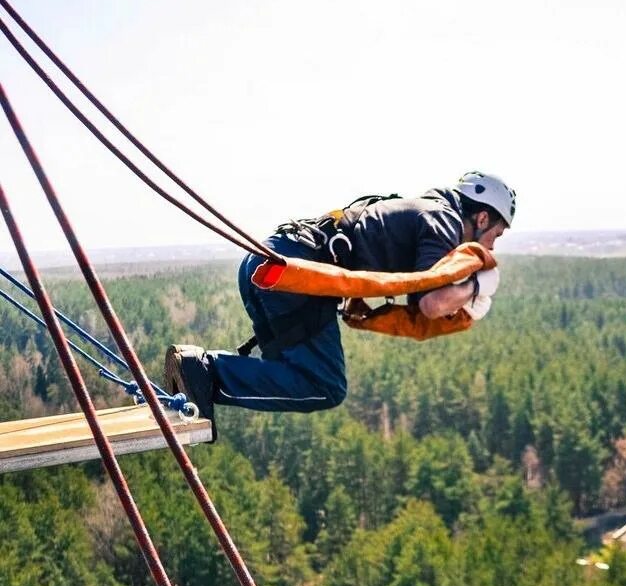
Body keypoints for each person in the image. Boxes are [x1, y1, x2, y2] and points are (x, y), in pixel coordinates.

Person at [164, 172, 515, 421]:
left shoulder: (428, 210)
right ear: (482, 217)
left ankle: (201, 375)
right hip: (296, 276)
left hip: (271, 265)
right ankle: (204, 371)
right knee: (324, 385)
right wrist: (476, 287)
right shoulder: (444, 221)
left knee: (290, 376)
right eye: (494, 236)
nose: (491, 246)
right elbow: (431, 304)